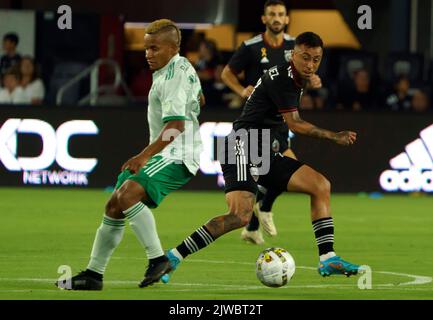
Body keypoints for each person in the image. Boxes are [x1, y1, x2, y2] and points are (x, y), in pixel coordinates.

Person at [162, 32, 361, 284]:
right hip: (241, 146)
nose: (310, 64)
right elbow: (295, 123)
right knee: (240, 216)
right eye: (305, 58)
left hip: (265, 149)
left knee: (320, 185)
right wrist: (334, 136)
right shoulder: (282, 79)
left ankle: (328, 257)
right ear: (294, 55)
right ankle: (174, 256)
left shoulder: (298, 78)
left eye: (316, 60)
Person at [56, 19, 204, 290]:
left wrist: (144, 156)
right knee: (114, 204)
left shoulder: (173, 75)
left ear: (173, 47)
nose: (148, 54)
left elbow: (176, 126)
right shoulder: (181, 66)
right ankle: (93, 274)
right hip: (166, 152)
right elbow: (200, 99)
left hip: (177, 154)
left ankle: (158, 259)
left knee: (127, 195)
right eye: (146, 48)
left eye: (154, 48)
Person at [221, 0, 322, 244]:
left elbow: (302, 75)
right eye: (271, 14)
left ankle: (257, 218)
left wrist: (312, 80)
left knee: (285, 169)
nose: (276, 18)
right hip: (258, 121)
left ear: (287, 19)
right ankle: (260, 214)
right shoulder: (251, 46)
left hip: (281, 119)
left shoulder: (295, 46)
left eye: (280, 14)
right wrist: (241, 90)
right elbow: (226, 73)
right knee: (281, 171)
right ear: (264, 19)